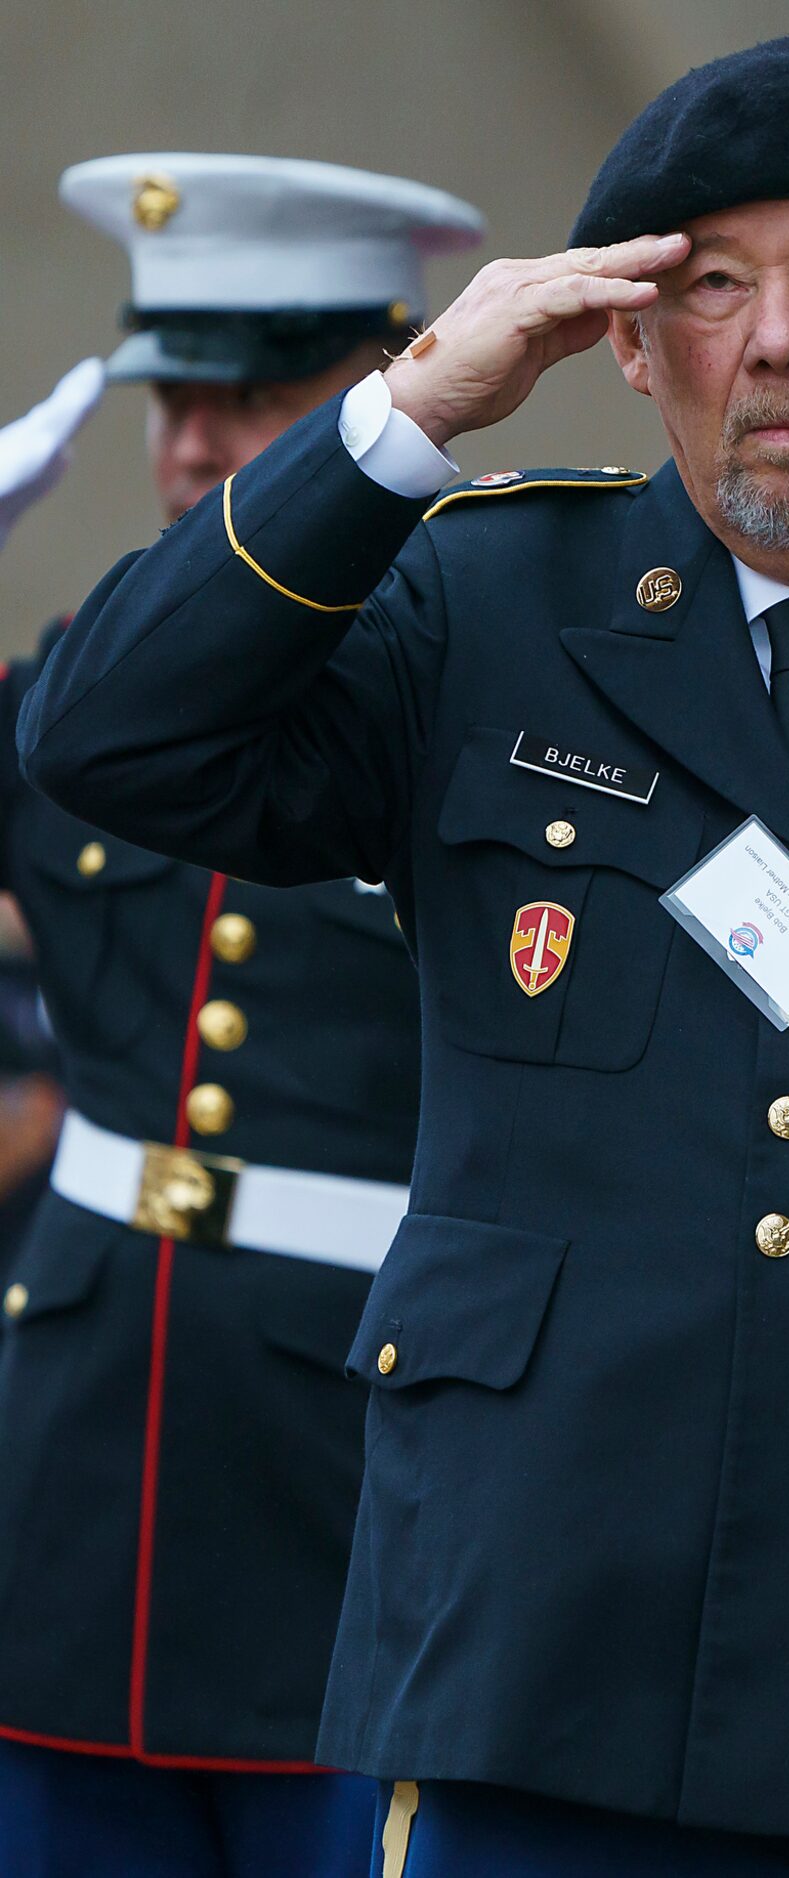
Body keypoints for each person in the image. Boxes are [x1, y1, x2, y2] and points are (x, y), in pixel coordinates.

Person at [17, 37, 789, 1875]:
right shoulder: (485, 605)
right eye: (710, 287)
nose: (778, 341)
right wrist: (404, 415)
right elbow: (109, 741)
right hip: (531, 1660)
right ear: (628, 347)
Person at [0, 155, 479, 1877]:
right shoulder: (79, 681)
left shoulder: (480, 689)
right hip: (76, 1492)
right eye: (173, 399)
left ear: (384, 390)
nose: (198, 444)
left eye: (255, 395)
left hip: (348, 1491)